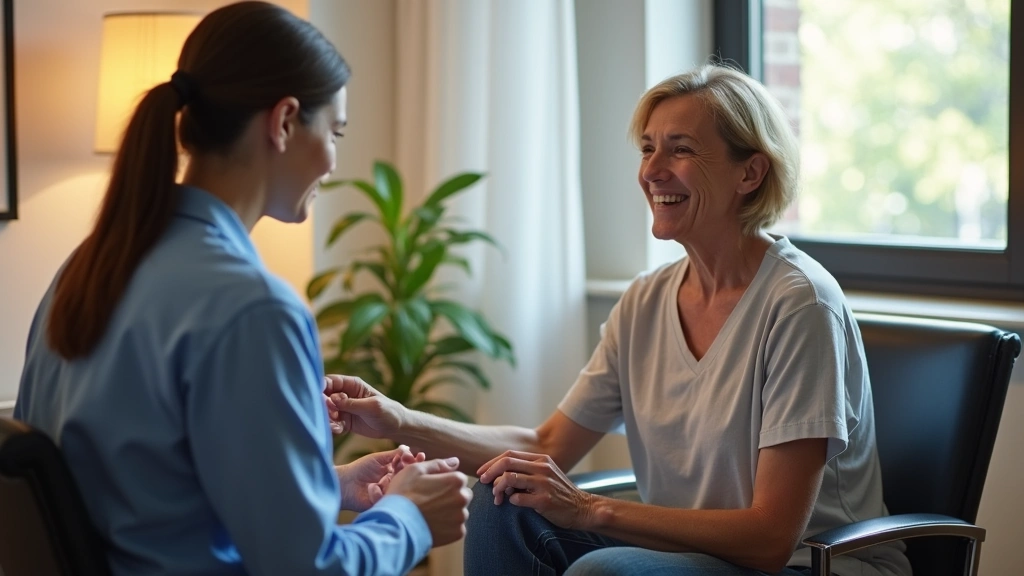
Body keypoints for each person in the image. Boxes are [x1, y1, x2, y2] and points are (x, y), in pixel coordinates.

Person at [323, 63, 912, 576]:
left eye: (680, 148)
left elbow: (769, 537)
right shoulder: (645, 302)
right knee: (499, 499)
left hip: (812, 564)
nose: (652, 170)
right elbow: (546, 444)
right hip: (695, 558)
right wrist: (396, 418)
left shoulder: (800, 303)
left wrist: (588, 510)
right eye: (648, 148)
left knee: (608, 568)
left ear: (749, 174)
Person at [13, 2, 471, 575]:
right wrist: (409, 517)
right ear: (283, 122)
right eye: (335, 132)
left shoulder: (84, 269)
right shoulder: (253, 309)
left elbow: (137, 496)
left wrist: (329, 487)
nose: (332, 162)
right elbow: (307, 569)